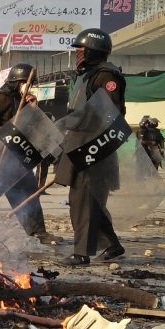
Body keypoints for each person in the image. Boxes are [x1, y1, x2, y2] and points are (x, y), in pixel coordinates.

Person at [54, 29, 126, 265]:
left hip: (93, 149)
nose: (78, 55)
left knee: (83, 200)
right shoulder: (88, 75)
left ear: (94, 51)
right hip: (80, 144)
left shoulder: (106, 77)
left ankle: (81, 253)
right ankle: (112, 245)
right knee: (90, 200)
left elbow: (109, 113)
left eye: (81, 51)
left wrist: (80, 123)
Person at [0, 63, 57, 245]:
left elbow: (38, 127)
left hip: (17, 160)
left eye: (30, 84)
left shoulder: (26, 101)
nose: (28, 87)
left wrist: (34, 109)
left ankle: (39, 233)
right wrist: (5, 131)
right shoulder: (0, 98)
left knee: (28, 194)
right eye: (25, 83)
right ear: (15, 82)